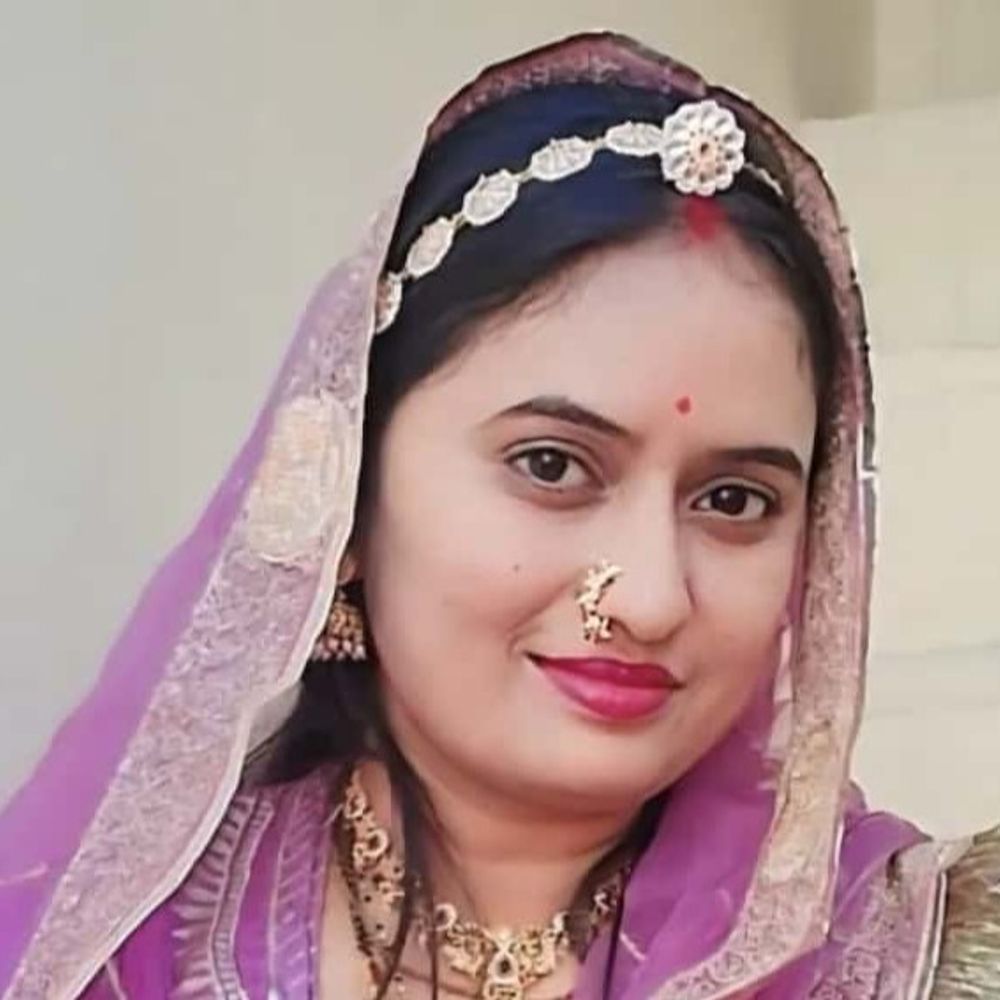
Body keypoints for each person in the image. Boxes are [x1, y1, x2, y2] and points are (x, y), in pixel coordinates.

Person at [1, 31, 997, 1000]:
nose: (648, 598)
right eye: (551, 465)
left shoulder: (902, 958)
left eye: (733, 500)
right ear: (348, 498)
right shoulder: (108, 943)